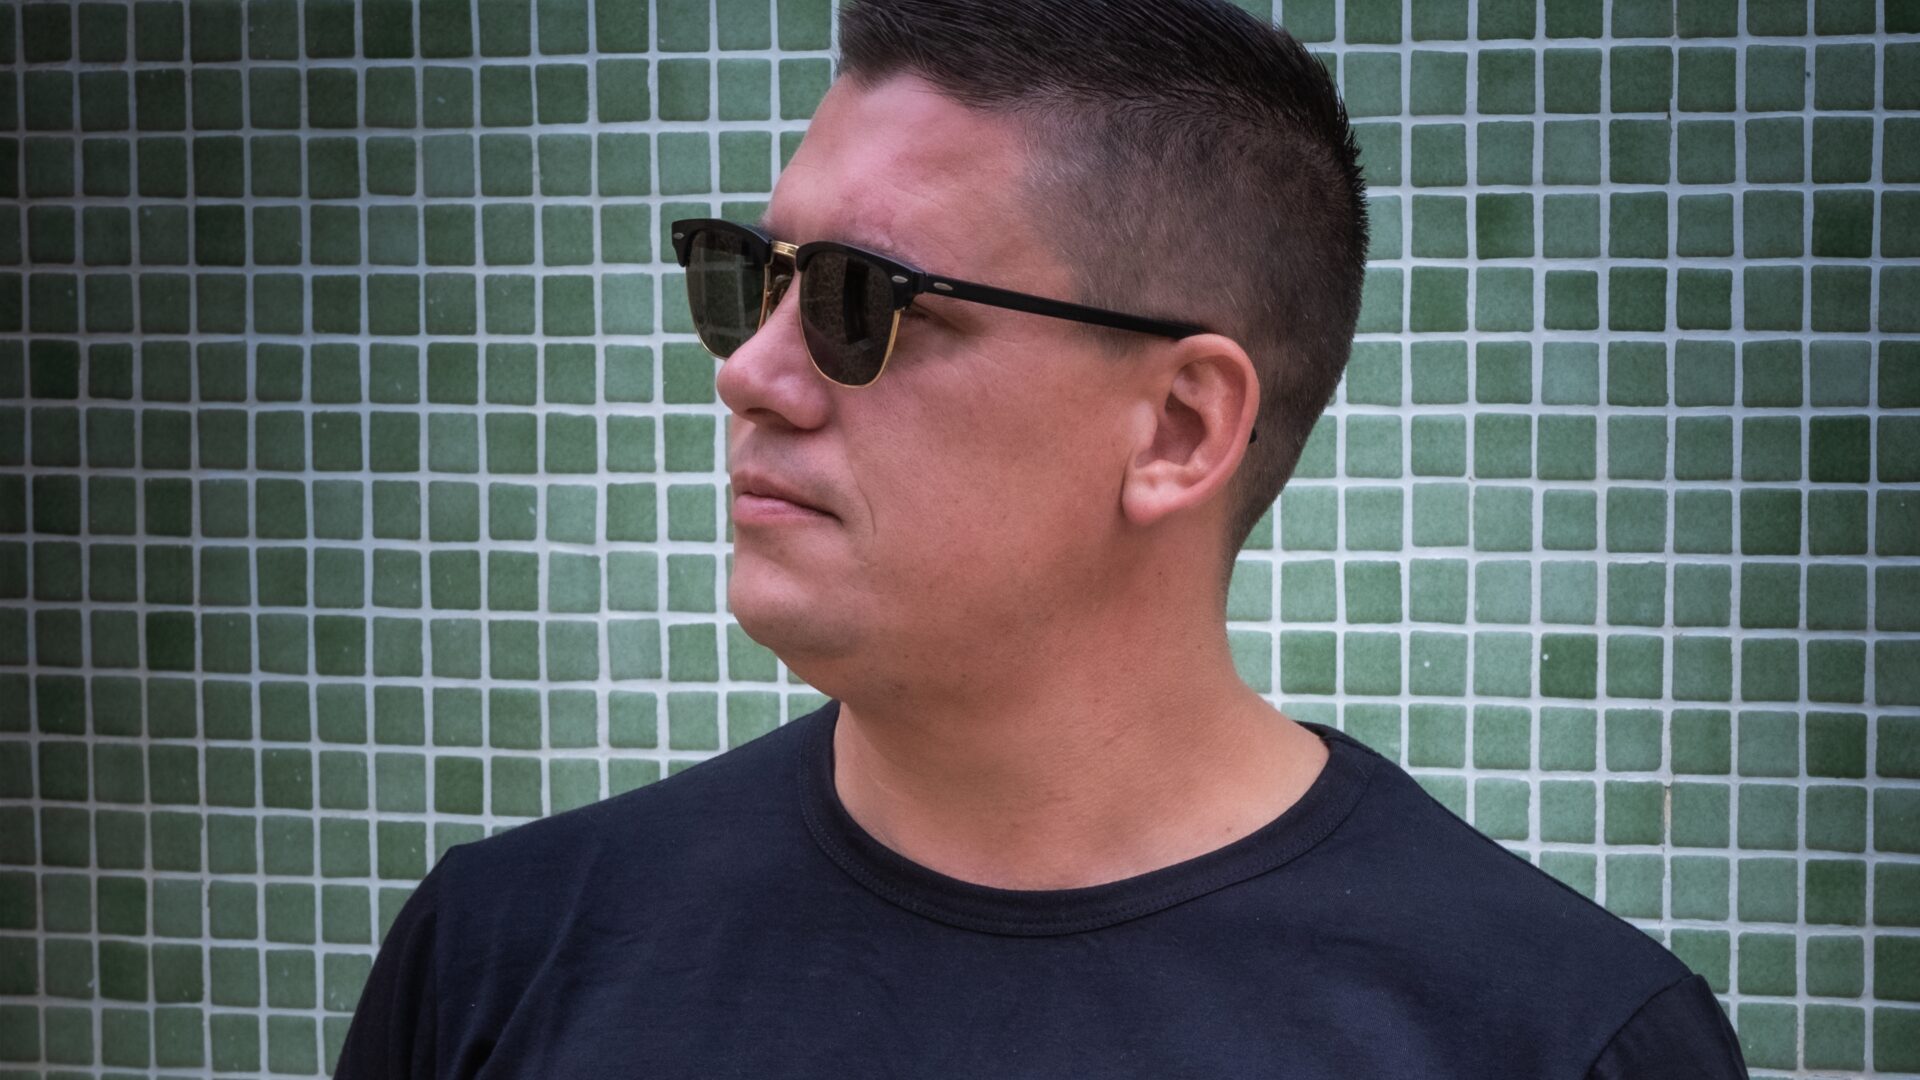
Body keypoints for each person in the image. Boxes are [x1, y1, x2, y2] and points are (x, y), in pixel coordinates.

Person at [334, 1, 1750, 1076]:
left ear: (1180, 427)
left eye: (859, 300)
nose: (749, 375)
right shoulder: (502, 961)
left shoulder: (1557, 1041)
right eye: (748, 279)